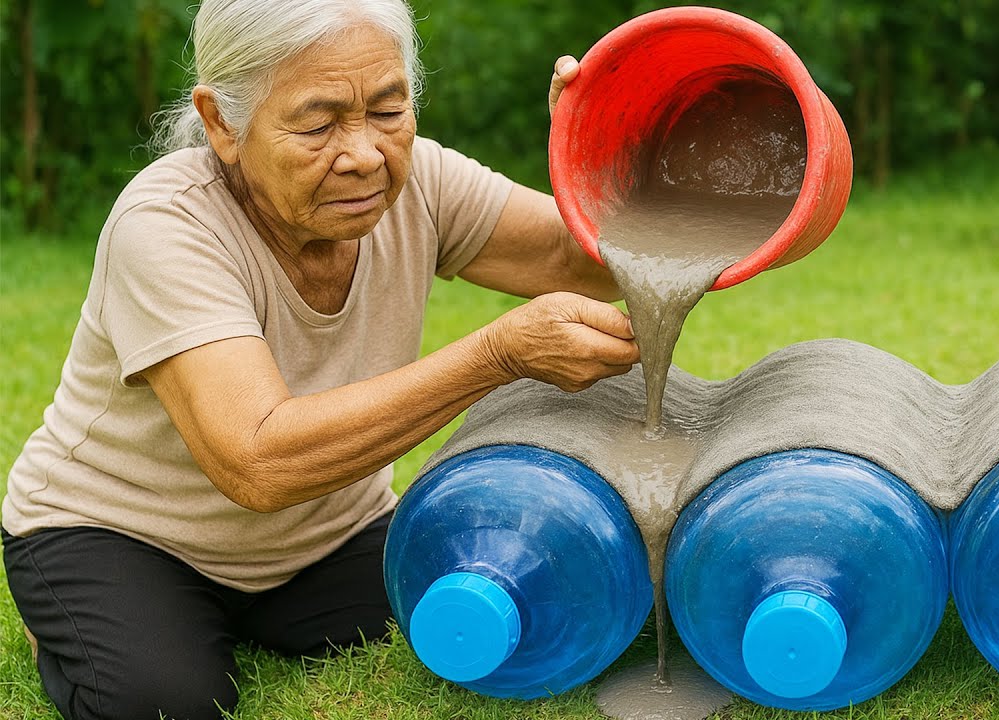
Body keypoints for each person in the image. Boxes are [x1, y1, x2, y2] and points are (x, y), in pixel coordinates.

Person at [0, 1, 636, 717]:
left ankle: (238, 618)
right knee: (167, 701)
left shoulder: (417, 182)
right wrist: (497, 354)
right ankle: (79, 614)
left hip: (324, 537)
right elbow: (258, 460)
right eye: (317, 122)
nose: (364, 153)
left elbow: (575, 258)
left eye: (389, 110)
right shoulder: (166, 225)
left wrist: (604, 147)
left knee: (523, 592)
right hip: (123, 533)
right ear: (221, 124)